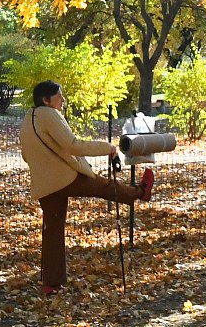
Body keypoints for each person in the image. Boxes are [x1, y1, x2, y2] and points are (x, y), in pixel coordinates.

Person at [20, 80, 153, 295]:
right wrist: (107, 148)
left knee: (52, 232)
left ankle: (50, 284)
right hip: (66, 177)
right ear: (46, 100)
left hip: (44, 185)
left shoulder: (28, 119)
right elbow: (72, 144)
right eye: (58, 96)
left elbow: (26, 154)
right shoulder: (49, 114)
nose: (62, 100)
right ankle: (139, 192)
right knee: (103, 186)